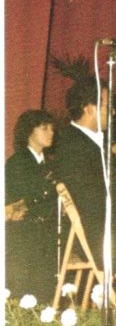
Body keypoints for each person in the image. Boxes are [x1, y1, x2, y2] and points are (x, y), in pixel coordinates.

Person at [54, 81, 116, 277]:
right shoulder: (72, 147)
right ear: (89, 109)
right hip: (101, 238)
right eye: (108, 106)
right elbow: (92, 203)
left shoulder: (98, 143)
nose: (113, 112)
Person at [6, 109, 58, 297]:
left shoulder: (51, 165)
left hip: (47, 240)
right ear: (29, 132)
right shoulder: (17, 163)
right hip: (24, 241)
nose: (51, 132)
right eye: (44, 128)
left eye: (52, 128)